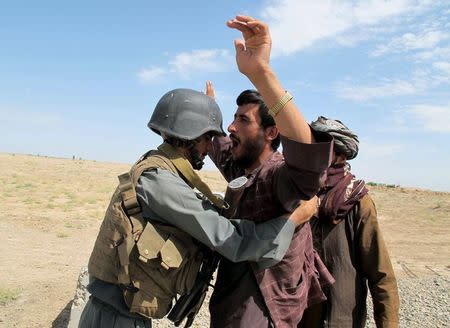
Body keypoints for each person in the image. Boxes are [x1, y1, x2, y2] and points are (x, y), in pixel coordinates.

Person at [78, 92, 319, 325]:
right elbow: (232, 239)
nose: (210, 146)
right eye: (207, 138)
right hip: (118, 318)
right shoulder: (160, 181)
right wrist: (293, 219)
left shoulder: (158, 169)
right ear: (190, 135)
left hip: (114, 312)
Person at [207, 15, 335, 327]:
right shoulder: (241, 164)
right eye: (233, 118)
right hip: (229, 303)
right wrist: (209, 110)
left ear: (271, 133)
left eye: (243, 120)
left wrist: (262, 74)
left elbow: (308, 161)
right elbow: (215, 141)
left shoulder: (278, 175)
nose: (232, 127)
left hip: (264, 312)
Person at [302, 116, 400, 327]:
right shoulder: (300, 195)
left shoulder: (359, 203)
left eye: (320, 146)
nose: (312, 153)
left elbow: (381, 276)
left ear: (341, 154)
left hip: (342, 320)